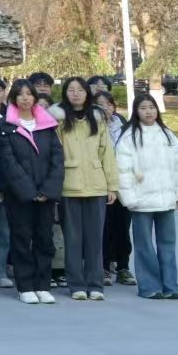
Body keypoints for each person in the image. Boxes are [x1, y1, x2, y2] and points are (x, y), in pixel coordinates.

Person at [114, 94, 178, 300]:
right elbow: (123, 170)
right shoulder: (129, 137)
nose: (148, 112)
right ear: (136, 112)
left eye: (152, 107)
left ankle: (170, 286)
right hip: (141, 202)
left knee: (168, 244)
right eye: (143, 108)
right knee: (144, 246)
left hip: (167, 200)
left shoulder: (167, 135)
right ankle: (149, 287)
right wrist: (129, 198)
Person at [0, 77, 65, 305]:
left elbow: (57, 160)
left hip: (46, 195)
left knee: (45, 239)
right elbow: (8, 163)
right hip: (19, 195)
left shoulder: (47, 125)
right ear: (13, 98)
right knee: (21, 239)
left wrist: (47, 190)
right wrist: (29, 191)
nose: (25, 98)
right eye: (20, 94)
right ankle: (25, 285)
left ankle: (42, 284)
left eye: (29, 94)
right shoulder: (6, 127)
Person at [57, 76, 119, 302]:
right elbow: (55, 154)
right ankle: (76, 285)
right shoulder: (58, 120)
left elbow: (107, 154)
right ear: (65, 93)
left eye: (80, 90)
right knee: (73, 239)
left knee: (95, 239)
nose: (76, 94)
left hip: (96, 185)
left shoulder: (97, 119)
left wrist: (112, 185)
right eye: (71, 90)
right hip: (69, 185)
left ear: (87, 93)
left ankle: (95, 284)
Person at [95, 88, 134, 286]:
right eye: (99, 105)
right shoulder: (91, 128)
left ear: (114, 107)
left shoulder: (125, 127)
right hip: (100, 185)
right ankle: (103, 267)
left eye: (108, 104)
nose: (105, 108)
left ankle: (123, 267)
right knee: (103, 228)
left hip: (123, 185)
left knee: (122, 228)